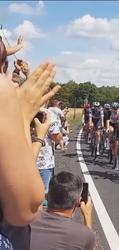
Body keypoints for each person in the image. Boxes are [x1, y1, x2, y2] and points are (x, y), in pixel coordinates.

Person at [0, 61, 60, 248]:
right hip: (36, 168)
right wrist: (23, 119)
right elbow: (26, 210)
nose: (11, 80)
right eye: (4, 70)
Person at [30, 171, 95, 250]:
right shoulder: (83, 234)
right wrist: (87, 216)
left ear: (47, 196)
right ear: (78, 201)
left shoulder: (26, 222)